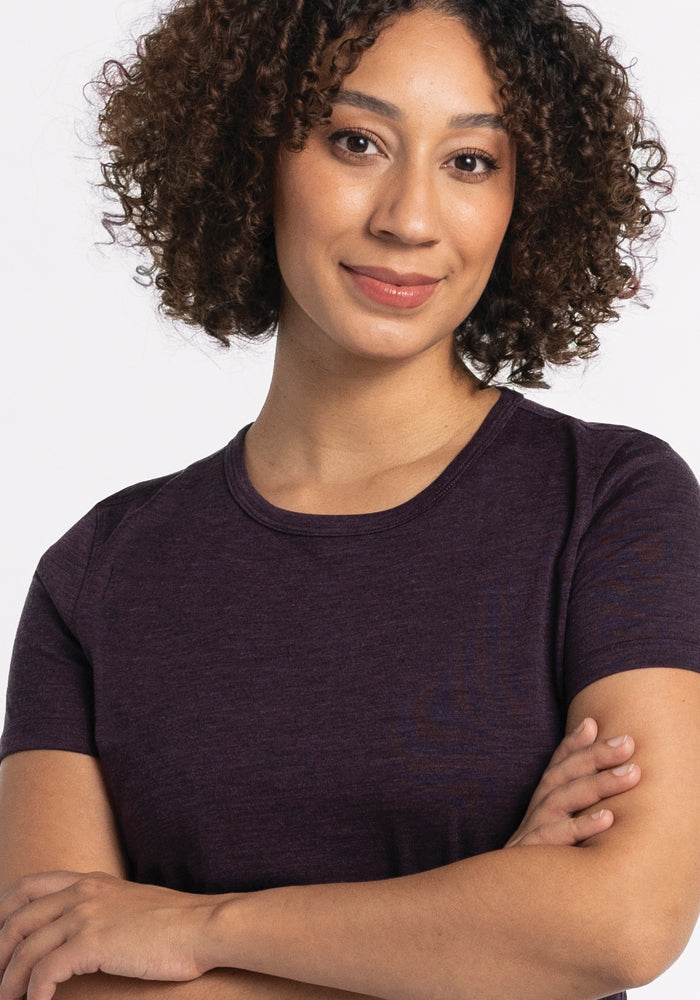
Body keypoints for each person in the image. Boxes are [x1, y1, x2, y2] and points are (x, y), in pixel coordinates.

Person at [0, 1, 698, 999]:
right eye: (355, 141)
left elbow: (624, 922)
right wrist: (486, 931)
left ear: (523, 198)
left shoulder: (610, 503)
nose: (408, 218)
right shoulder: (100, 572)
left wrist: (199, 930)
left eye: (469, 161)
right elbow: (56, 982)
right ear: (253, 157)